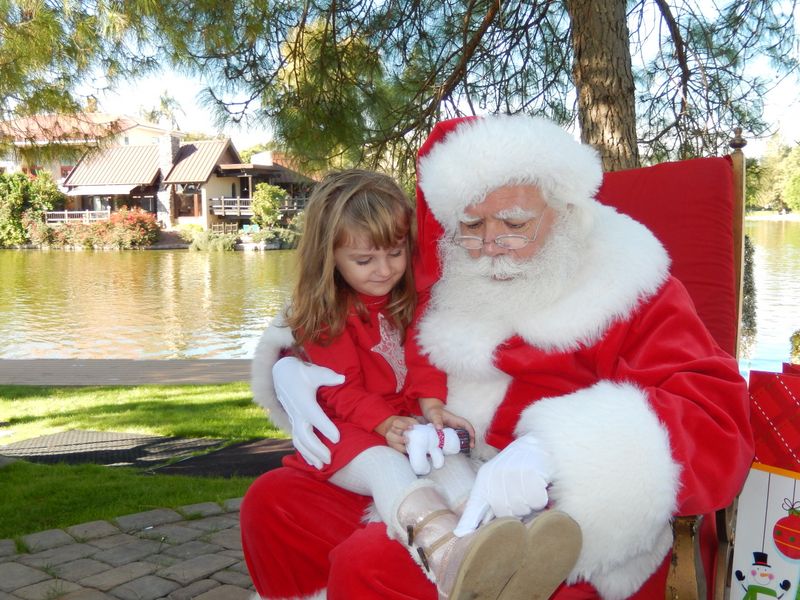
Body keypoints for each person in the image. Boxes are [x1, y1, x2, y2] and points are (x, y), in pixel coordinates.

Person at [244, 115, 753, 599]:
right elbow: (346, 300)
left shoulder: (626, 282)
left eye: (513, 221)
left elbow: (716, 417)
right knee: (273, 505)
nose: (490, 244)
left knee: (372, 565)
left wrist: (556, 453)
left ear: (564, 210)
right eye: (471, 223)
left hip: (558, 511)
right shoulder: (447, 260)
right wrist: (291, 363)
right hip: (437, 464)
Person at [257, 168, 535, 599]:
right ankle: (445, 557)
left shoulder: (413, 298)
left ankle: (500, 545)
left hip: (402, 423)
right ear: (328, 257)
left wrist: (431, 405)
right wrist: (385, 423)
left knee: (450, 462)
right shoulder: (324, 313)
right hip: (347, 434)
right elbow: (338, 390)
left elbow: (423, 355)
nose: (384, 270)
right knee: (388, 469)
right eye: (364, 261)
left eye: (395, 253)